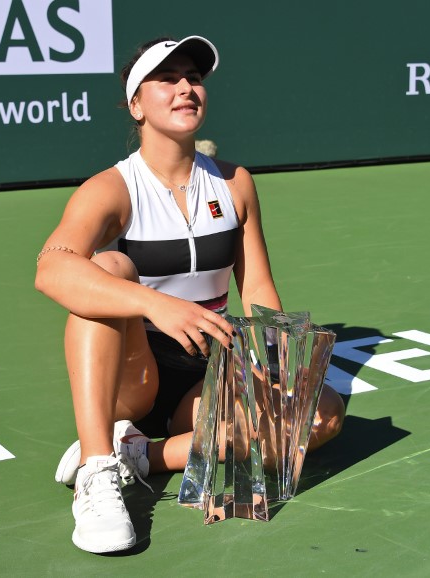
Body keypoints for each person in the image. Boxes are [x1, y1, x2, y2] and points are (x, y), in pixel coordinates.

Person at [34, 35, 345, 554]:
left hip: (204, 373)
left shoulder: (235, 182)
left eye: (194, 79)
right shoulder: (112, 188)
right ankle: (96, 467)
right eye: (167, 79)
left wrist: (276, 362)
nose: (185, 88)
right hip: (136, 374)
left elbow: (258, 287)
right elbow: (50, 269)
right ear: (136, 104)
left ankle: (141, 457)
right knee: (107, 268)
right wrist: (156, 303)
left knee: (322, 414)